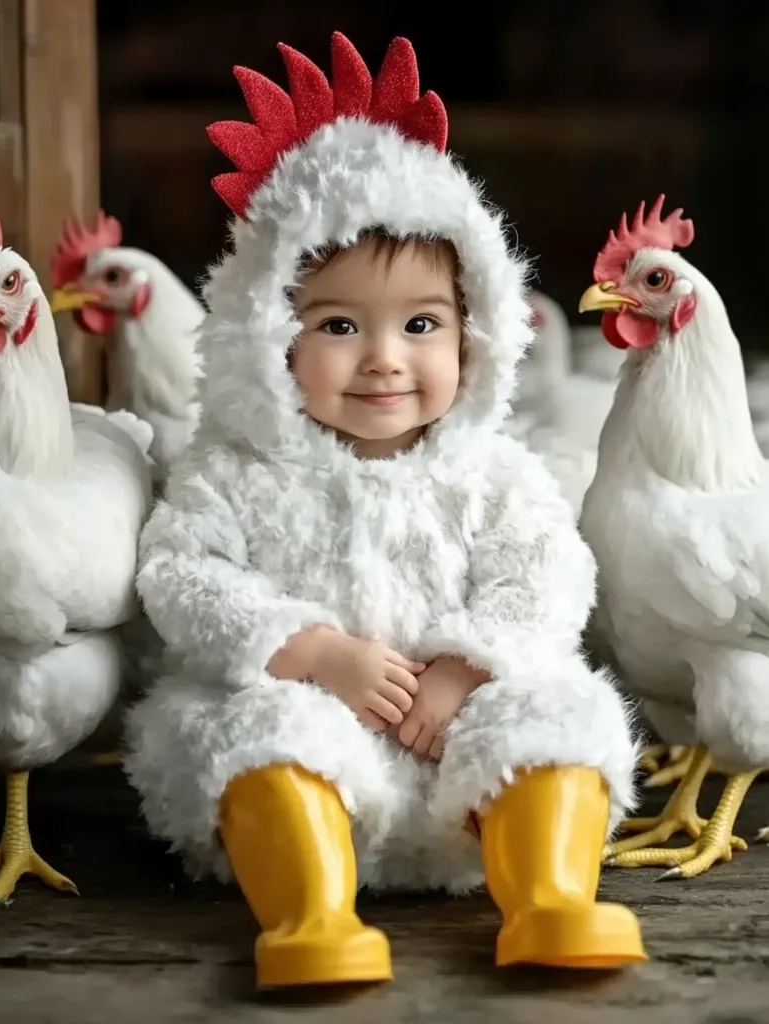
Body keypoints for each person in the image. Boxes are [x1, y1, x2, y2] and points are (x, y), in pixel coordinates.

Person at [124, 32, 646, 989]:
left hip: (460, 747)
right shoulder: (235, 471)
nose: (384, 359)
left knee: (556, 707)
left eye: (420, 324)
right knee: (255, 731)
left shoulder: (490, 471)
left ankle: (548, 899)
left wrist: (468, 664)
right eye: (336, 325)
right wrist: (311, 652)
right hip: (315, 724)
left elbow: (548, 573)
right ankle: (309, 917)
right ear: (266, 338)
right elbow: (182, 574)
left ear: (475, 329)